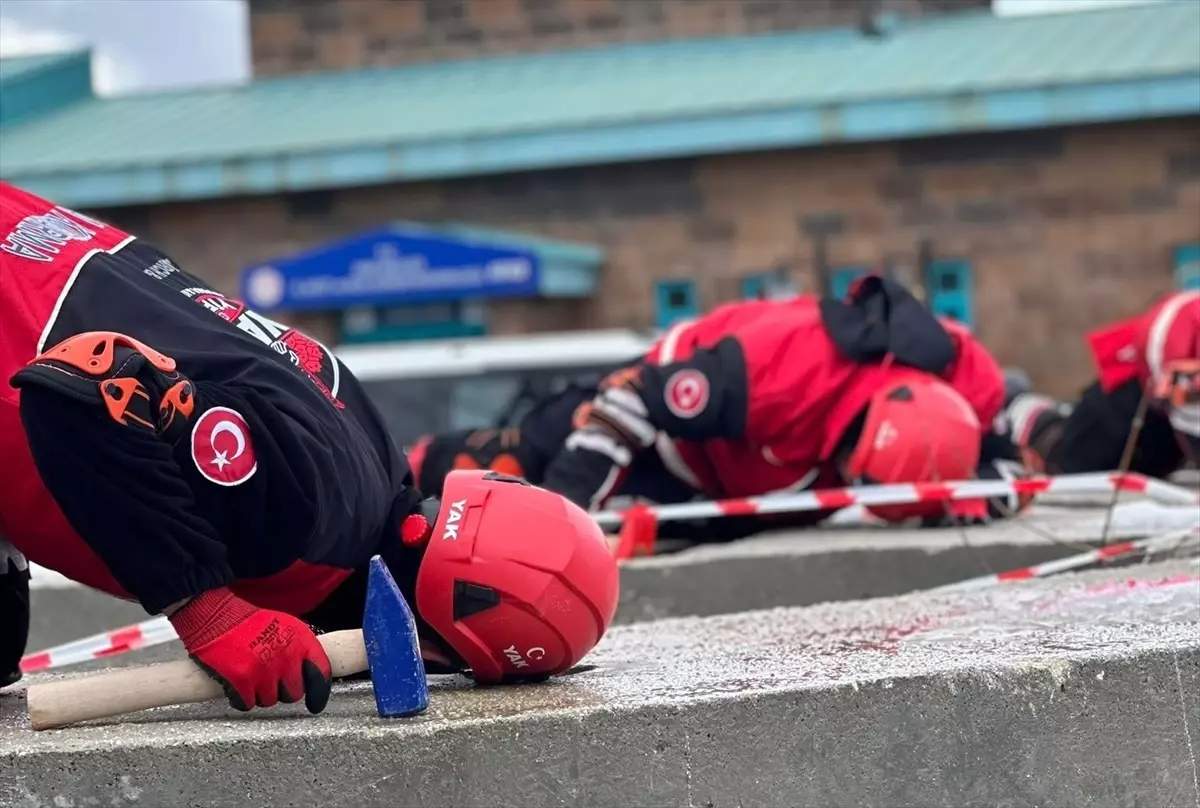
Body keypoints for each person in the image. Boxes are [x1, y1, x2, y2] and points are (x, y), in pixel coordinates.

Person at [0, 181, 619, 706]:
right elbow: (87, 377)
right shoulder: (300, 516)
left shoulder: (373, 466)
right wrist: (209, 614)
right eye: (441, 662)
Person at [413, 275, 1033, 539]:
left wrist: (977, 492)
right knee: (499, 474)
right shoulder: (784, 373)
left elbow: (1021, 468)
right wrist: (564, 514)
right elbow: (631, 400)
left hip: (732, 499)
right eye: (851, 459)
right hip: (660, 436)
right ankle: (404, 481)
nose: (847, 474)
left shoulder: (965, 386)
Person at [1003, 290, 1199, 479]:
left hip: (1168, 405)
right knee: (1072, 465)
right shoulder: (1180, 331)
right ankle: (1032, 415)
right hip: (1135, 393)